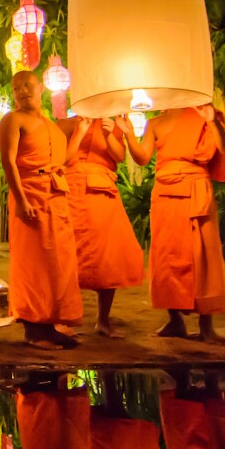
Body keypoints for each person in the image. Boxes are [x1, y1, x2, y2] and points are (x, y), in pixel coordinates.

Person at [118, 105, 225, 342]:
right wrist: (129, 134)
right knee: (167, 256)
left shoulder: (202, 114)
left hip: (195, 190)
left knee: (202, 255)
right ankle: (175, 320)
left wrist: (212, 122)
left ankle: (207, 325)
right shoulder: (155, 123)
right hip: (165, 193)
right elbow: (143, 158)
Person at [0, 71, 85, 349]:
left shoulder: (51, 126)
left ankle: (50, 324)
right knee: (34, 262)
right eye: (16, 88)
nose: (22, 91)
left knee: (57, 263)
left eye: (27, 86)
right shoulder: (12, 120)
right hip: (30, 193)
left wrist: (80, 134)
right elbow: (9, 163)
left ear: (41, 88)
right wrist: (21, 200)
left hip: (55, 194)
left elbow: (62, 161)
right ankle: (34, 330)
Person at [59, 117, 144, 337]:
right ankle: (64, 317)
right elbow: (62, 160)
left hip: (103, 191)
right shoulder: (65, 124)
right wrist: (79, 132)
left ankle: (103, 319)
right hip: (72, 190)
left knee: (108, 256)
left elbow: (119, 156)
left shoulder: (112, 123)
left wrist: (108, 134)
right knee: (67, 255)